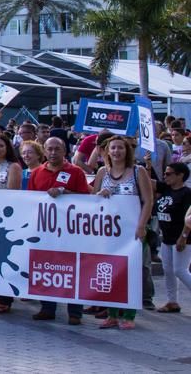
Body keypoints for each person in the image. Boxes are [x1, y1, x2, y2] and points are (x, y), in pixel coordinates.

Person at [90, 136, 154, 330]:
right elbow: (93, 199)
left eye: (120, 148)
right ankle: (111, 313)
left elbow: (148, 200)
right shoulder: (102, 172)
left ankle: (128, 315)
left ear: (127, 151)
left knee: (131, 271)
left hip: (132, 230)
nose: (116, 151)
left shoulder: (137, 171)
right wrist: (100, 195)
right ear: (107, 151)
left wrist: (141, 225)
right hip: (108, 232)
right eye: (113, 148)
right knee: (108, 272)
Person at [28, 137, 90, 325]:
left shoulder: (76, 172)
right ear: (44, 151)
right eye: (50, 149)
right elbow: (29, 201)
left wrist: (65, 193)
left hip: (71, 232)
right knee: (45, 268)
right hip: (45, 231)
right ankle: (47, 308)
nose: (53, 153)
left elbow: (87, 199)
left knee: (74, 270)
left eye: (57, 149)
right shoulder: (36, 172)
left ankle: (75, 312)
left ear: (65, 151)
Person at [154, 163, 191, 313]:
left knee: (180, 270)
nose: (165, 176)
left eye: (169, 174)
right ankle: (172, 301)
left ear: (180, 175)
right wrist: (149, 165)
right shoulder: (166, 189)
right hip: (167, 237)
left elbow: (189, 217)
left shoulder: (187, 193)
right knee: (168, 270)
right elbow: (150, 181)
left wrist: (183, 237)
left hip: (183, 238)